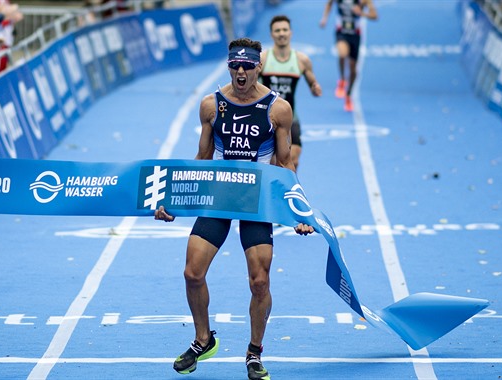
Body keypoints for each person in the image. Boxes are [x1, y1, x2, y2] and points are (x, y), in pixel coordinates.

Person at [154, 37, 314, 380]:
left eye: (247, 65)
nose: (241, 72)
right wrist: (172, 201)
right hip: (220, 197)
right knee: (192, 273)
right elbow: (201, 160)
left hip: (256, 202)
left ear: (259, 67)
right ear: (229, 66)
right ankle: (202, 340)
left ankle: (254, 353)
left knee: (260, 281)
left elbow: (285, 166)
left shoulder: (277, 109)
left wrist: (298, 214)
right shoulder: (212, 105)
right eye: (235, 65)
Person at [260, 15, 322, 171]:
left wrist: (315, 88)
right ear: (271, 34)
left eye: (284, 30)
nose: (281, 33)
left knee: (293, 159)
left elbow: (313, 86)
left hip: (291, 117)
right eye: (277, 30)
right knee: (272, 163)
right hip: (266, 119)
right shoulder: (264, 59)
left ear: (291, 33)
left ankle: (289, 193)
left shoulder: (302, 60)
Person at [320, 0, 377, 112]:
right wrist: (324, 18)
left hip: (355, 35)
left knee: (353, 69)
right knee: (342, 53)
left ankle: (349, 94)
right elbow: (329, 4)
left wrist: (362, 13)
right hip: (341, 32)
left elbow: (374, 15)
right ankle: (342, 80)